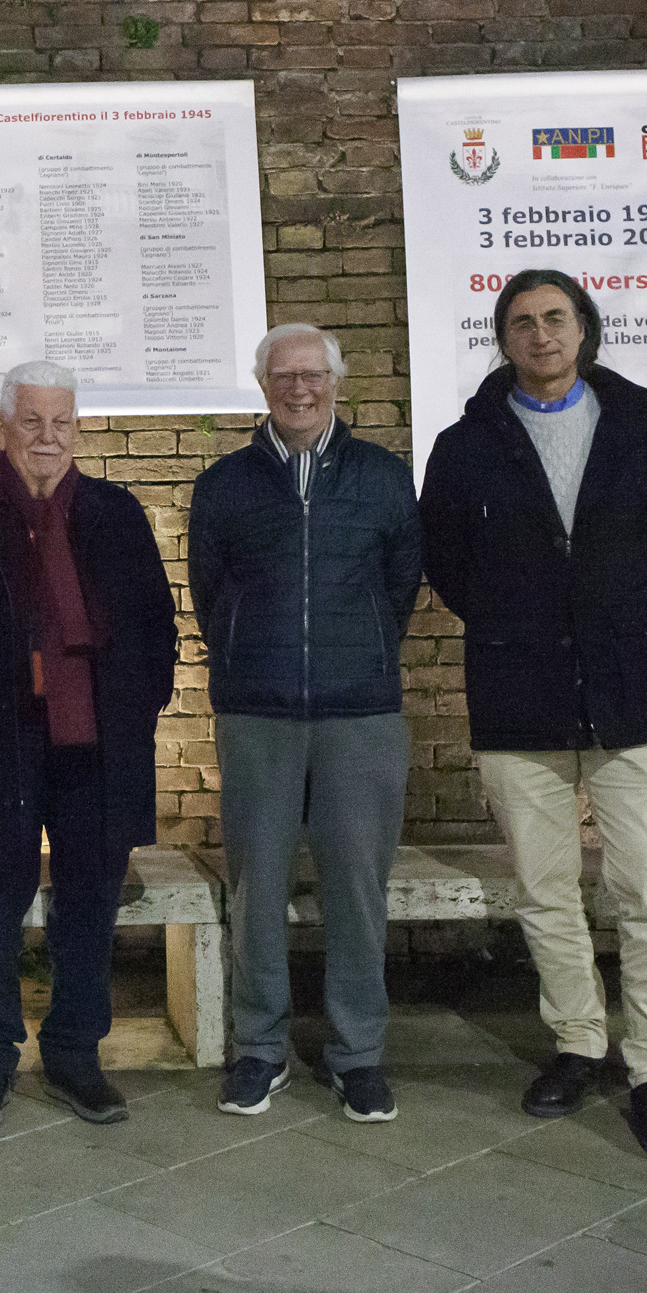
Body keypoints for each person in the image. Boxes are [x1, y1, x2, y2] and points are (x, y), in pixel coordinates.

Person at [419, 270, 647, 1162]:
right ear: (503, 340)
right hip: (519, 692)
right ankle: (578, 1041)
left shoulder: (643, 426)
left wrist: (608, 612)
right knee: (545, 889)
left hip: (631, 689)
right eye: (521, 323)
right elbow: (450, 566)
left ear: (584, 328)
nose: (540, 334)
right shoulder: (465, 445)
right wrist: (525, 622)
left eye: (555, 318)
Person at [0, 360, 176, 1131]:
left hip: (97, 741)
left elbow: (158, 627)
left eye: (63, 423)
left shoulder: (117, 515)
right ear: (1, 427)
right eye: (32, 422)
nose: (48, 438)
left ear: (78, 429)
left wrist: (138, 707)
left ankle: (74, 1055)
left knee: (89, 900)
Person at [189, 326, 420, 1124]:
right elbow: (210, 590)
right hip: (258, 712)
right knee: (256, 888)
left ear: (336, 382)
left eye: (312, 374)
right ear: (261, 385)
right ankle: (259, 1047)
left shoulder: (384, 478)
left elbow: (400, 587)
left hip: (361, 713)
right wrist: (251, 657)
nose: (299, 387)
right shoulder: (224, 485)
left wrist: (357, 656)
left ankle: (358, 1054)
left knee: (358, 889)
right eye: (283, 374)